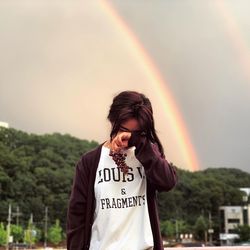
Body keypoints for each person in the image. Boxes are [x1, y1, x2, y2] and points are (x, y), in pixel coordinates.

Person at [67, 90, 177, 250]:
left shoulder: (147, 155)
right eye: (123, 129)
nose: (128, 137)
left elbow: (168, 182)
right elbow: (76, 219)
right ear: (112, 121)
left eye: (137, 133)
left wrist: (142, 144)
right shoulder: (89, 163)